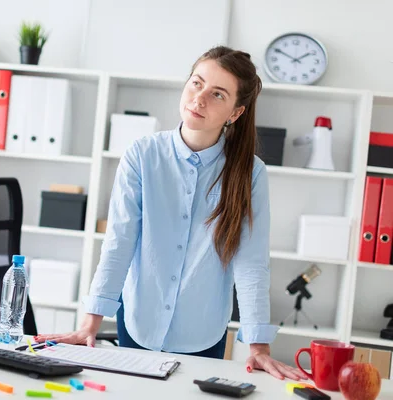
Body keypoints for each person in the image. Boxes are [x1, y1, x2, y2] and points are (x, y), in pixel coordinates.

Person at [35, 46, 306, 381]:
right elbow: (119, 243)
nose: (200, 98)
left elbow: (251, 263)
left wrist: (258, 348)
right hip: (139, 322)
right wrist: (88, 324)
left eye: (217, 94)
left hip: (202, 332)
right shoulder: (142, 155)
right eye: (197, 83)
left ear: (235, 112)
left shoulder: (250, 173)